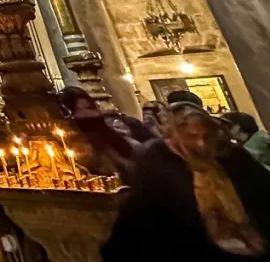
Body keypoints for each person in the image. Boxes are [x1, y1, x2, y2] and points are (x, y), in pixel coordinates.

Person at [101, 102, 270, 260]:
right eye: (192, 136)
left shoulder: (230, 154)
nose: (200, 143)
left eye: (206, 136)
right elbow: (150, 205)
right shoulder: (159, 157)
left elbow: (259, 188)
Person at [58, 86, 139, 182]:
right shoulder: (76, 145)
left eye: (93, 107)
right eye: (87, 108)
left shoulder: (114, 137)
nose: (95, 113)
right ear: (70, 114)